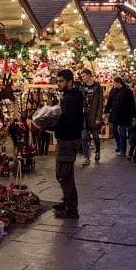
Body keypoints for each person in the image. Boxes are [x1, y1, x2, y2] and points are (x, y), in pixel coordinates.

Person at [52, 69, 83, 219]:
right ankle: (67, 202)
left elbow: (66, 122)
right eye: (57, 81)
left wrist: (51, 125)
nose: (58, 84)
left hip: (68, 140)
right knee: (64, 173)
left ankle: (71, 209)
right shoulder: (70, 96)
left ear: (70, 82)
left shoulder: (69, 99)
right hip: (68, 139)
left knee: (64, 174)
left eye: (61, 81)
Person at [104, 76, 135, 156]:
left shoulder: (127, 91)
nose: (112, 84)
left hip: (124, 115)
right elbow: (110, 102)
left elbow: (132, 103)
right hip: (115, 114)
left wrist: (133, 115)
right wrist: (106, 111)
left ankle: (122, 150)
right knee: (114, 129)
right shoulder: (113, 91)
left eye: (113, 83)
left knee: (123, 132)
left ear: (118, 82)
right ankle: (119, 144)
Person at [80, 69, 104, 165]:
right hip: (84, 117)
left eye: (84, 76)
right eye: (82, 76)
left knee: (96, 137)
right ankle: (86, 157)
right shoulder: (81, 87)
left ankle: (97, 152)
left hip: (94, 116)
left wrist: (98, 117)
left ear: (89, 76)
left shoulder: (97, 87)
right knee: (84, 137)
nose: (82, 78)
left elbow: (100, 103)